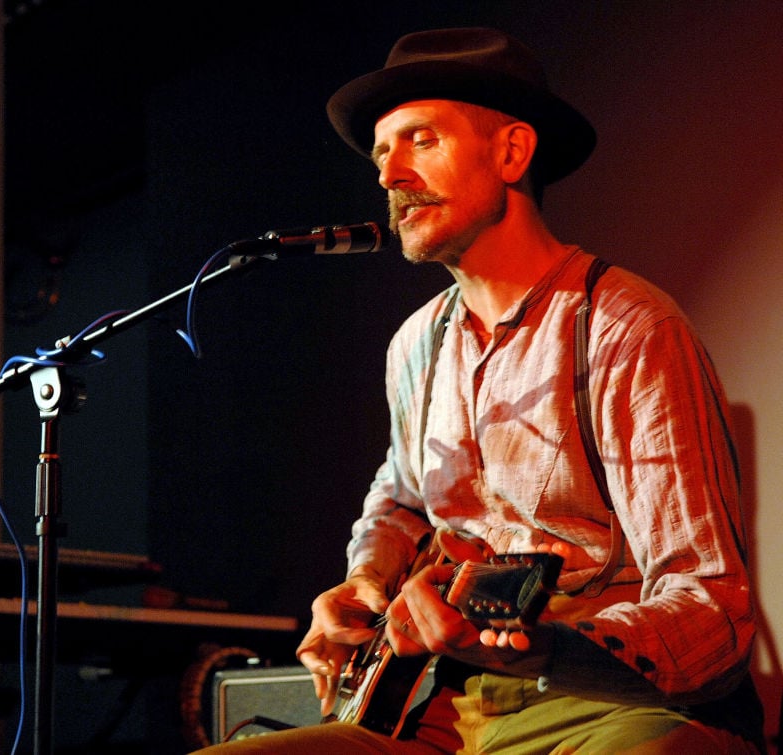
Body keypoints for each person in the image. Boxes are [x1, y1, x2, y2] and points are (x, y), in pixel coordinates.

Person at [196, 27, 765, 753]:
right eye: (381, 155)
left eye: (419, 140)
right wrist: (363, 583)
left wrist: (539, 644)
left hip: (601, 709)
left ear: (511, 153)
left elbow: (711, 607)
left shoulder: (626, 328)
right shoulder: (416, 343)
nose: (389, 175)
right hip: (437, 710)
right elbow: (400, 498)